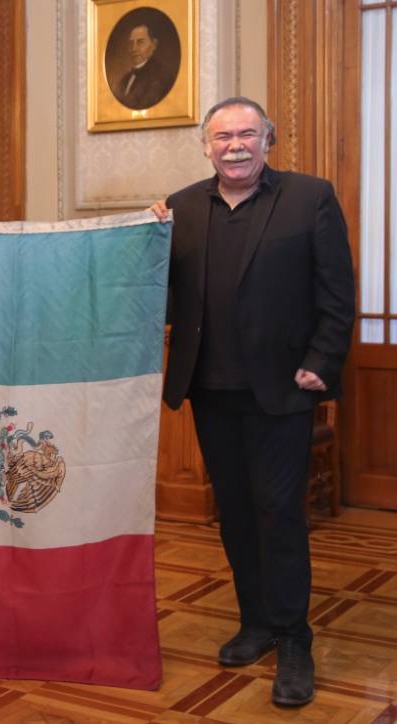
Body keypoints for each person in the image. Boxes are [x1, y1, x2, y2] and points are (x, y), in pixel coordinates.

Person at [152, 97, 355, 707]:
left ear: (269, 138)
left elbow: (338, 291)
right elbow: (154, 296)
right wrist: (143, 238)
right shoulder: (182, 207)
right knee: (236, 514)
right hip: (211, 391)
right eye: (222, 137)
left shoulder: (309, 197)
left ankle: (295, 638)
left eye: (246, 134)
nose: (234, 145)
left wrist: (322, 361)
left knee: (280, 514)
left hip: (286, 391)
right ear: (205, 146)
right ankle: (257, 623)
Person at [114, 24, 175, 110]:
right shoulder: (125, 78)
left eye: (140, 42)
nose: (134, 48)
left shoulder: (162, 76)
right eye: (131, 43)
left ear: (154, 45)